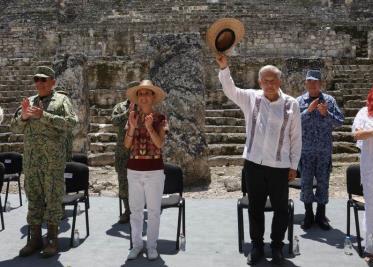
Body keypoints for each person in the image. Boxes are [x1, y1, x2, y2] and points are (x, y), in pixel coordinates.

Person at [216, 54, 302, 265]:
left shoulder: (292, 104)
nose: (269, 84)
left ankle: (277, 247)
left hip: (280, 167)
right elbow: (230, 90)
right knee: (255, 207)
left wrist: (294, 165)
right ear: (259, 82)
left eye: (273, 80)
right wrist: (225, 68)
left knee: (281, 209)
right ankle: (257, 247)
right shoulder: (251, 97)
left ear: (279, 82)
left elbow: (296, 137)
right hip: (254, 164)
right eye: (265, 81)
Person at [10, 66, 78, 258]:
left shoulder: (62, 100)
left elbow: (72, 123)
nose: (39, 83)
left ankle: (53, 240)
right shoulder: (29, 102)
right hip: (32, 162)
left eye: (43, 79)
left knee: (53, 199)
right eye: (36, 80)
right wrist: (23, 117)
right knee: (34, 199)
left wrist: (44, 116)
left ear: (53, 82)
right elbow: (14, 128)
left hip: (52, 162)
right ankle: (35, 239)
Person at [124, 80, 168, 261]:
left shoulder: (161, 118)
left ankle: (151, 246)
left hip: (154, 170)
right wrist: (133, 127)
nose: (143, 97)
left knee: (153, 211)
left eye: (147, 93)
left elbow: (159, 144)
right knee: (135, 211)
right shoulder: (132, 117)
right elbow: (127, 145)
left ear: (153, 97)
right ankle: (136, 245)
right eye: (140, 94)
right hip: (134, 169)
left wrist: (150, 128)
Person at [297, 70, 344, 230]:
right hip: (306, 152)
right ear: (305, 83)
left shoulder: (329, 100)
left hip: (324, 152)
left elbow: (340, 122)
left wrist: (327, 113)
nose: (312, 84)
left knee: (323, 184)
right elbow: (293, 123)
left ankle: (321, 215)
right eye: (309, 82)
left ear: (320, 84)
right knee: (306, 183)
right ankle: (308, 214)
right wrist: (308, 111)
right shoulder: (299, 101)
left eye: (315, 82)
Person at [111, 82, 140, 224]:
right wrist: (127, 113)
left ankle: (139, 207)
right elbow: (114, 122)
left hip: (140, 151)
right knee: (123, 181)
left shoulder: (145, 106)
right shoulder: (120, 107)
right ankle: (127, 210)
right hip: (123, 151)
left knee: (140, 181)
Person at [352, 87, 373, 263]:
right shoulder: (364, 113)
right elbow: (357, 134)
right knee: (372, 209)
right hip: (370, 168)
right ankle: (370, 248)